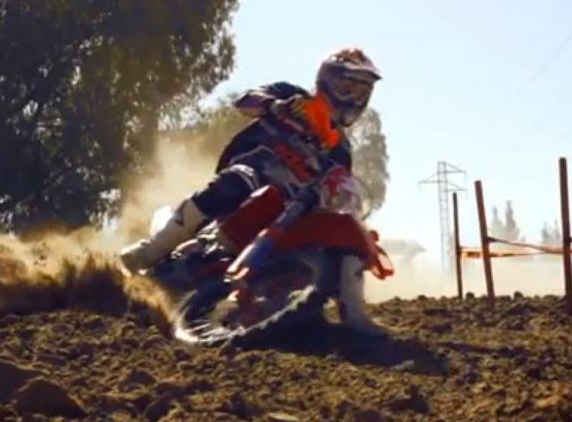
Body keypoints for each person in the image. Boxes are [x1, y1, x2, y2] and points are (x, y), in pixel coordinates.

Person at [119, 47, 385, 334]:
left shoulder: (340, 148)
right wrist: (276, 107)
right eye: (347, 87)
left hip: (291, 210)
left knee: (341, 230)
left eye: (361, 93)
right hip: (252, 178)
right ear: (326, 81)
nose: (352, 99)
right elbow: (245, 101)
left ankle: (352, 317)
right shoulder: (291, 96)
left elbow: (338, 185)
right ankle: (153, 250)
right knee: (236, 181)